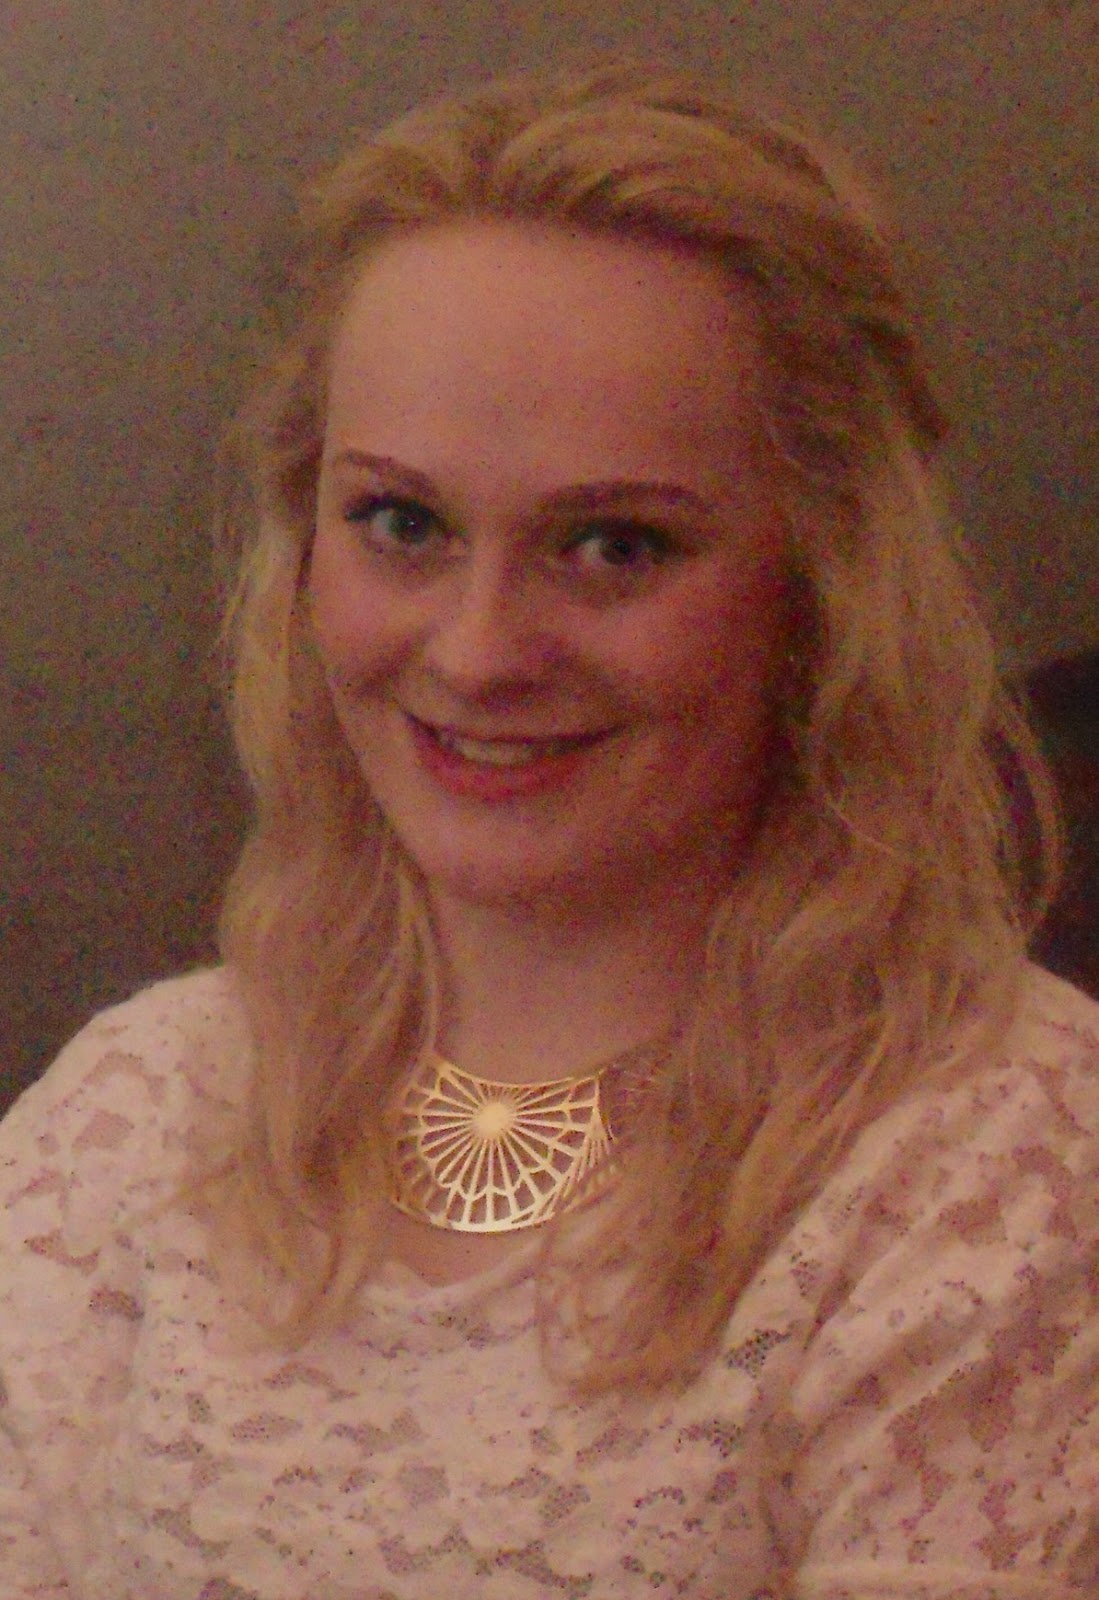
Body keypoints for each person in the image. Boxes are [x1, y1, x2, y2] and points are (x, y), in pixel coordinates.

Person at [1, 64, 1096, 1600]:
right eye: (403, 523)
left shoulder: (1004, 1168)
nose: (479, 652)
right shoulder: (132, 1115)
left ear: (821, 587)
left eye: (612, 545)